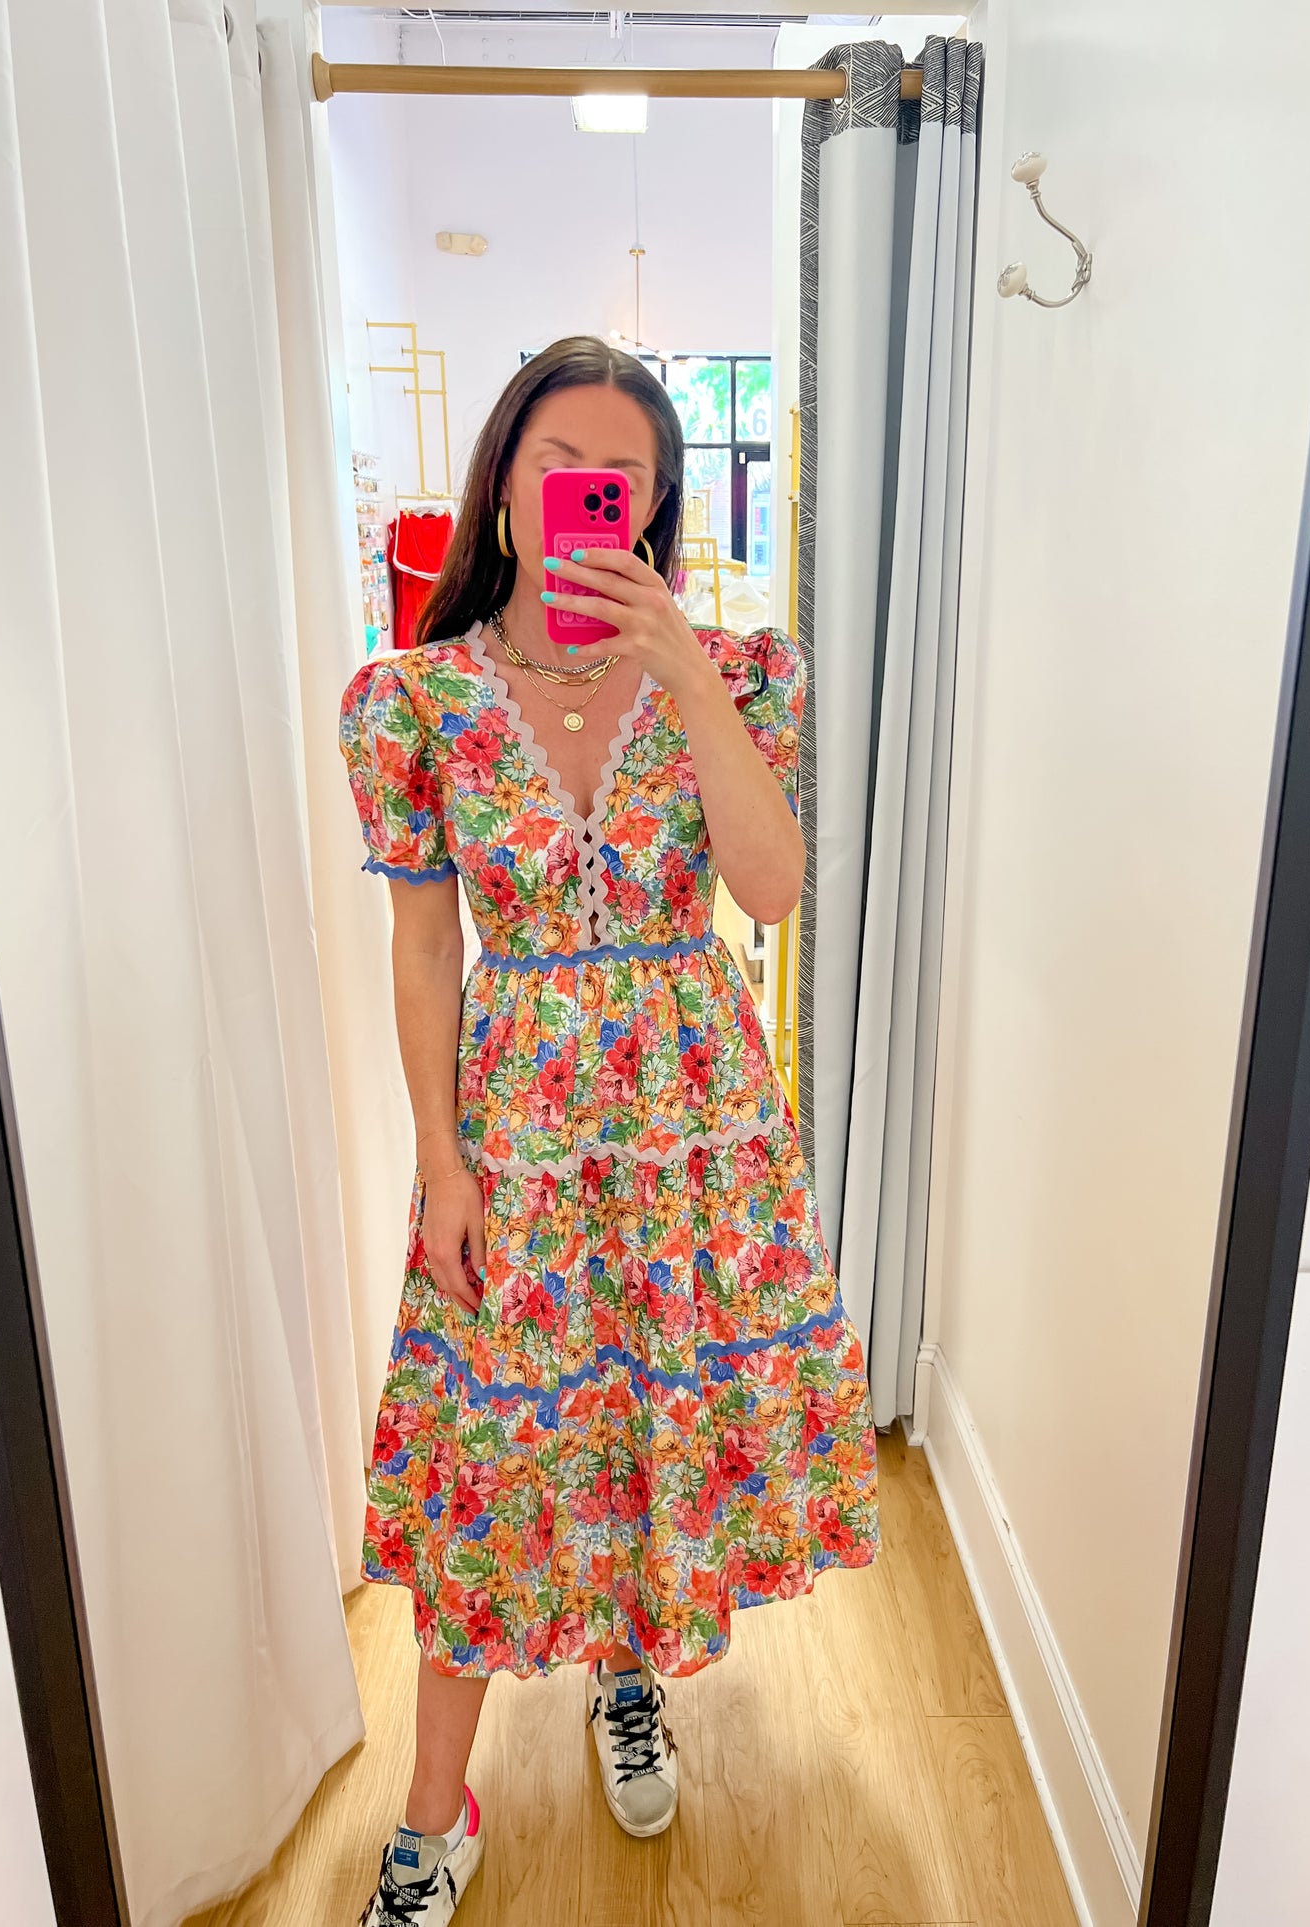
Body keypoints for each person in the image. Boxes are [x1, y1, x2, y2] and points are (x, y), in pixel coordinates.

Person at [339, 337, 878, 1925]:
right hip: (514, 1123)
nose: (588, 496)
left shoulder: (742, 675)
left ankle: (624, 1675)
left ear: (651, 505)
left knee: (641, 1408)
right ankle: (432, 1815)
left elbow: (767, 893)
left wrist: (688, 677)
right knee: (488, 1446)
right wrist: (439, 1161)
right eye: (558, 464)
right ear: (505, 483)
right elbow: (424, 947)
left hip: (691, 1125)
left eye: (622, 479)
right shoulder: (414, 702)